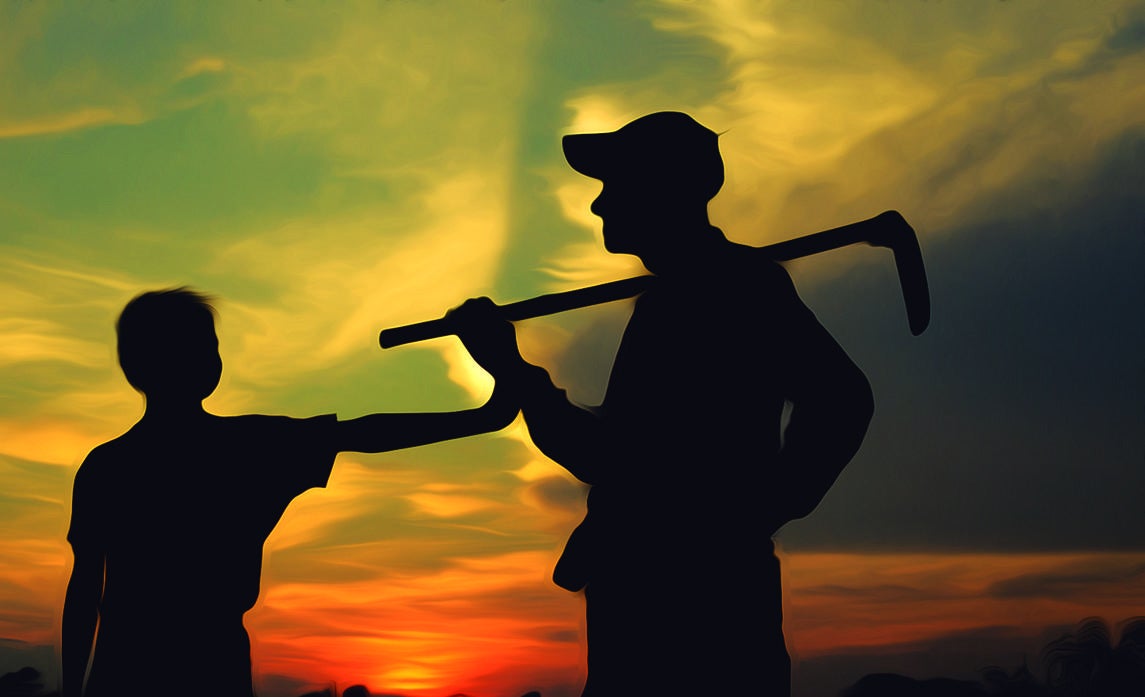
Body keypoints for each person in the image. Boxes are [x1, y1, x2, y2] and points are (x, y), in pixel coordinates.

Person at [450, 111, 875, 696]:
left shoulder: (722, 291)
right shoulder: (691, 293)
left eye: (612, 186)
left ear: (661, 190)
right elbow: (627, 441)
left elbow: (613, 458)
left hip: (681, 613)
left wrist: (513, 371)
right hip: (677, 598)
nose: (598, 206)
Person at [62, 287, 517, 697]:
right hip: (210, 669)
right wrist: (498, 378)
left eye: (211, 346)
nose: (211, 356)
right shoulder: (248, 447)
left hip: (124, 673)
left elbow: (86, 590)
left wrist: (70, 685)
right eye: (204, 346)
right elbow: (366, 433)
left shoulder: (107, 465)